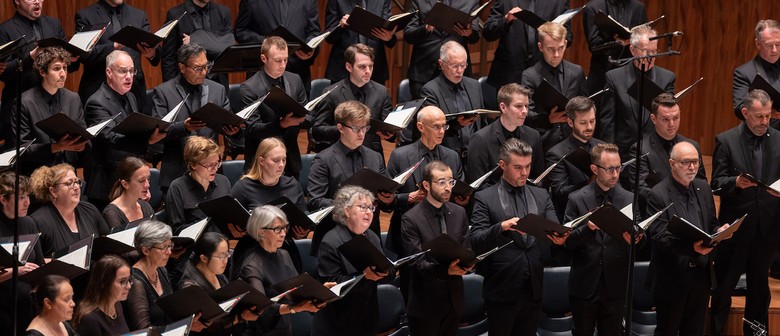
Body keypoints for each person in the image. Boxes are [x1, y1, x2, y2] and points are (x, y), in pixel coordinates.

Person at [469, 138, 566, 336]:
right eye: (518, 167)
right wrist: (501, 227)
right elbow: (475, 240)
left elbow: (554, 228)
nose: (524, 173)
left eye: (528, 166)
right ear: (502, 165)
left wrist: (559, 237)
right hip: (501, 289)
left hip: (533, 288)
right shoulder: (484, 197)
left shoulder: (541, 195)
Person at [710, 89, 780, 336]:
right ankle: (716, 332)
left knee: (760, 290)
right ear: (745, 113)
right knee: (723, 288)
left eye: (768, 116)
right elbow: (716, 183)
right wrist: (736, 183)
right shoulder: (726, 140)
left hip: (767, 230)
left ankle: (755, 333)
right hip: (736, 230)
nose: (764, 122)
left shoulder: (779, 139)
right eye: (759, 116)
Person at [647, 142, 726, 335]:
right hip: (673, 277)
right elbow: (659, 237)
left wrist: (721, 230)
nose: (692, 167)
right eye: (686, 162)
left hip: (701, 275)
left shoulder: (703, 188)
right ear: (672, 163)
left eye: (695, 162)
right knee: (668, 330)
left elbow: (711, 222)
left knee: (695, 330)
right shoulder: (657, 194)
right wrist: (692, 248)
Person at [564, 143, 636, 336]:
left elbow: (641, 240)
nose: (615, 174)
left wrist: (637, 239)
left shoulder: (629, 198)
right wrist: (587, 228)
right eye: (610, 169)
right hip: (585, 286)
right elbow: (566, 241)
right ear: (594, 169)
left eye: (619, 168)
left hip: (615, 285)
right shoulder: (576, 198)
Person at [307, 101, 395, 254]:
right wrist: (349, 206)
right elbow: (314, 202)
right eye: (355, 128)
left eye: (365, 128)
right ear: (340, 128)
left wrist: (388, 199)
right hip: (335, 238)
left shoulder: (375, 157)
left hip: (369, 237)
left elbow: (383, 196)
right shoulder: (323, 159)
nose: (361, 134)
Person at [84, 50, 166, 209]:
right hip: (108, 183)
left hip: (130, 179)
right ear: (109, 72)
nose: (129, 76)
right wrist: (147, 140)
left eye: (131, 71)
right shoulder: (96, 103)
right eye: (123, 71)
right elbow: (110, 139)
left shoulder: (131, 97)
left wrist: (142, 185)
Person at [151, 43, 236, 194]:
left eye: (206, 66)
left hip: (212, 173)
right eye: (198, 68)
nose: (204, 72)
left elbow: (228, 120)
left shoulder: (218, 90)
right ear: (182, 68)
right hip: (177, 172)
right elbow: (156, 133)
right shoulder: (163, 92)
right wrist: (183, 127)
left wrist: (233, 129)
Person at [401, 161, 471, 335]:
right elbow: (416, 263)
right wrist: (448, 270)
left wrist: (468, 264)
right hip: (425, 304)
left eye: (450, 181)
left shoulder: (459, 213)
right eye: (441, 182)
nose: (448, 187)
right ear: (426, 185)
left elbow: (465, 249)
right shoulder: (411, 218)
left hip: (454, 300)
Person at [385, 106, 465, 256]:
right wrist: (408, 197)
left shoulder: (452, 156)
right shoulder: (400, 156)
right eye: (436, 127)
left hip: (444, 229)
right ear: (421, 127)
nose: (442, 131)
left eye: (444, 126)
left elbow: (459, 190)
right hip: (409, 233)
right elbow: (385, 200)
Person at [231, 205, 320, 336]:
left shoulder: (284, 254)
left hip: (284, 327)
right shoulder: (251, 265)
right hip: (262, 331)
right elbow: (260, 307)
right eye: (277, 229)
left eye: (284, 227)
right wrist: (293, 308)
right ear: (261, 231)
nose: (284, 233)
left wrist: (320, 292)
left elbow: (298, 289)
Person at [314, 185, 388, 335]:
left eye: (370, 207)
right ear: (347, 211)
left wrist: (388, 271)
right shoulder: (331, 241)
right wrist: (364, 277)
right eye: (362, 207)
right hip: (340, 321)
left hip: (367, 317)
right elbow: (332, 283)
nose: (368, 211)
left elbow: (384, 268)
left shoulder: (372, 237)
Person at [231, 137, 309, 271]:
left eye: (283, 160)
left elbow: (302, 216)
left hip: (284, 249)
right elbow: (231, 220)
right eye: (276, 160)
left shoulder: (292, 185)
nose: (281, 165)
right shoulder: (243, 187)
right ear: (261, 161)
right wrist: (235, 230)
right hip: (252, 250)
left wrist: (301, 232)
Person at [598, 25, 676, 159]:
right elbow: (607, 122)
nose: (651, 56)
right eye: (646, 51)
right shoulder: (614, 78)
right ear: (633, 50)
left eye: (654, 51)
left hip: (654, 153)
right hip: (623, 153)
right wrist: (609, 154)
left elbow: (667, 118)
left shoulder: (667, 78)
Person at [0, 0, 71, 146]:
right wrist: (31, 57)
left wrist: (74, 58)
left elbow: (69, 62)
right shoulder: (5, 29)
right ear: (17, 1)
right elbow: (4, 72)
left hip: (52, 102)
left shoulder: (54, 24)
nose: (37, 1)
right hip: (19, 104)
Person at [75, 0, 160, 114]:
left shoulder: (139, 15)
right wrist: (113, 46)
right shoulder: (86, 15)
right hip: (99, 92)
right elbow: (82, 54)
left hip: (134, 93)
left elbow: (154, 51)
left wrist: (152, 54)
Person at [626, 93, 705, 215]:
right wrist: (671, 203)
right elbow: (640, 189)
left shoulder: (692, 146)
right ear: (653, 119)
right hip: (658, 213)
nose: (672, 124)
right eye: (666, 119)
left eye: (676, 118)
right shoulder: (640, 149)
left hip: (689, 210)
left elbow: (701, 182)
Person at [12, 46, 87, 176]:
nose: (63, 74)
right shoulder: (24, 102)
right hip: (38, 175)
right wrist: (56, 147)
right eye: (56, 68)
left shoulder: (73, 98)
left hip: (68, 173)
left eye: (65, 67)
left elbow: (83, 132)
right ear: (42, 71)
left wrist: (82, 144)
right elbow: (21, 149)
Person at [240, 36, 308, 174]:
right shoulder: (249, 88)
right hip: (262, 162)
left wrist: (302, 119)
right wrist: (281, 124)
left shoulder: (295, 80)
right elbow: (252, 129)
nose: (283, 65)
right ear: (264, 59)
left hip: (290, 159)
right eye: (278, 61)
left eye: (286, 59)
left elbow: (310, 117)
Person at [312, 43, 393, 155]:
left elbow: (388, 129)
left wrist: (391, 134)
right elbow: (317, 131)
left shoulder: (381, 91)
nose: (368, 71)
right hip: (341, 156)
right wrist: (344, 130)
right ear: (349, 67)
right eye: (362, 67)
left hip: (372, 156)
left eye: (371, 66)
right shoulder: (331, 93)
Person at [521, 22, 588, 150]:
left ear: (566, 44)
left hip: (574, 140)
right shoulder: (529, 76)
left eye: (561, 48)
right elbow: (526, 113)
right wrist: (548, 119)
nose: (556, 54)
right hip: (544, 143)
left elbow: (585, 104)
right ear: (540, 47)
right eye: (551, 49)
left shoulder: (576, 71)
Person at [234, 0, 321, 94]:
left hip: (298, 72)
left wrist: (309, 48)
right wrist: (266, 42)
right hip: (262, 76)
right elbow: (240, 31)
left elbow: (314, 32)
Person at [467, 83, 543, 190]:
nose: (525, 111)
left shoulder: (533, 136)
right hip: (494, 201)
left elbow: (538, 179)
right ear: (503, 107)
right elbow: (479, 186)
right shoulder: (481, 139)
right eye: (518, 106)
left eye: (526, 106)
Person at [179, 232, 259, 335]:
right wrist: (240, 317)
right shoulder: (190, 287)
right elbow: (210, 326)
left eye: (227, 254)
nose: (226, 260)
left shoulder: (219, 275)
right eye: (221, 256)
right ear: (204, 258)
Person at [484, 0, 572, 91]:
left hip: (544, 73)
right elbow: (488, 33)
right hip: (510, 72)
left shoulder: (560, 1)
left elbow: (568, 37)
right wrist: (506, 19)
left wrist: (556, 33)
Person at [419, 41, 485, 158]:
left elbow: (482, 123)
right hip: (446, 156)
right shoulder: (430, 90)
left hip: (475, 155)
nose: (459, 71)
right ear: (441, 64)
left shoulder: (474, 85)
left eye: (463, 65)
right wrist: (456, 124)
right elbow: (431, 129)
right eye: (454, 66)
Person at [404, 0, 480, 99]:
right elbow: (408, 34)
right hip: (423, 71)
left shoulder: (470, 1)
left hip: (457, 72)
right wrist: (426, 28)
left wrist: (469, 33)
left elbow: (475, 37)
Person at [29, 163, 109, 257]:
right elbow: (35, 262)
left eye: (77, 182)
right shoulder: (39, 221)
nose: (76, 187)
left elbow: (107, 242)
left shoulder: (90, 210)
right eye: (69, 183)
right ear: (53, 191)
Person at [545, 96, 603, 222]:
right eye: (583, 122)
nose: (589, 127)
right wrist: (589, 183)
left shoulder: (602, 147)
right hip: (575, 217)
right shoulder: (556, 153)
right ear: (570, 122)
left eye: (592, 121)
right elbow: (560, 194)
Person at [0, 172, 41, 336]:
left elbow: (39, 263)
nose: (28, 202)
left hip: (27, 302)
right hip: (2, 305)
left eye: (28, 196)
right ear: (3, 199)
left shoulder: (29, 222)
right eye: (21, 197)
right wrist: (15, 271)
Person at [162, 0, 234, 88]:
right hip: (186, 84)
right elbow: (168, 58)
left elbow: (228, 47)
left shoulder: (223, 12)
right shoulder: (175, 14)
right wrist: (171, 89)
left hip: (218, 82)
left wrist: (194, 39)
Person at [165, 136, 231, 232]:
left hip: (222, 241)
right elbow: (176, 229)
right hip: (195, 244)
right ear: (193, 164)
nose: (215, 169)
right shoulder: (177, 187)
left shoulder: (223, 181)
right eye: (209, 165)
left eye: (217, 163)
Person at [583, 0, 647, 95]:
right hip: (602, 73)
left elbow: (643, 42)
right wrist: (616, 42)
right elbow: (594, 46)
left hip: (629, 74)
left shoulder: (638, 7)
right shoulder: (592, 7)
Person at [323, 0, 396, 84]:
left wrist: (389, 38)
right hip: (343, 69)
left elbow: (390, 34)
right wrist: (340, 26)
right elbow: (329, 38)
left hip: (375, 70)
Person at [124, 220, 179, 331]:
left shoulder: (162, 270)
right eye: (163, 247)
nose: (169, 252)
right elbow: (143, 329)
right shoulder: (135, 282)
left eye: (170, 245)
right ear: (146, 250)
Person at [73, 255, 132, 335]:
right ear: (104, 283)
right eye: (122, 281)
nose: (129, 286)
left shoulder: (117, 305)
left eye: (129, 280)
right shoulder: (90, 320)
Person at [733, 19, 780, 120]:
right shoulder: (744, 73)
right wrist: (766, 111)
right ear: (758, 44)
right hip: (763, 131)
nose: (774, 50)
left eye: (778, 44)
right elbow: (739, 108)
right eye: (768, 45)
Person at [102, 156, 155, 230]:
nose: (147, 185)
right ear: (125, 184)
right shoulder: (112, 214)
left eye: (148, 179)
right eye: (141, 181)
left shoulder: (145, 206)